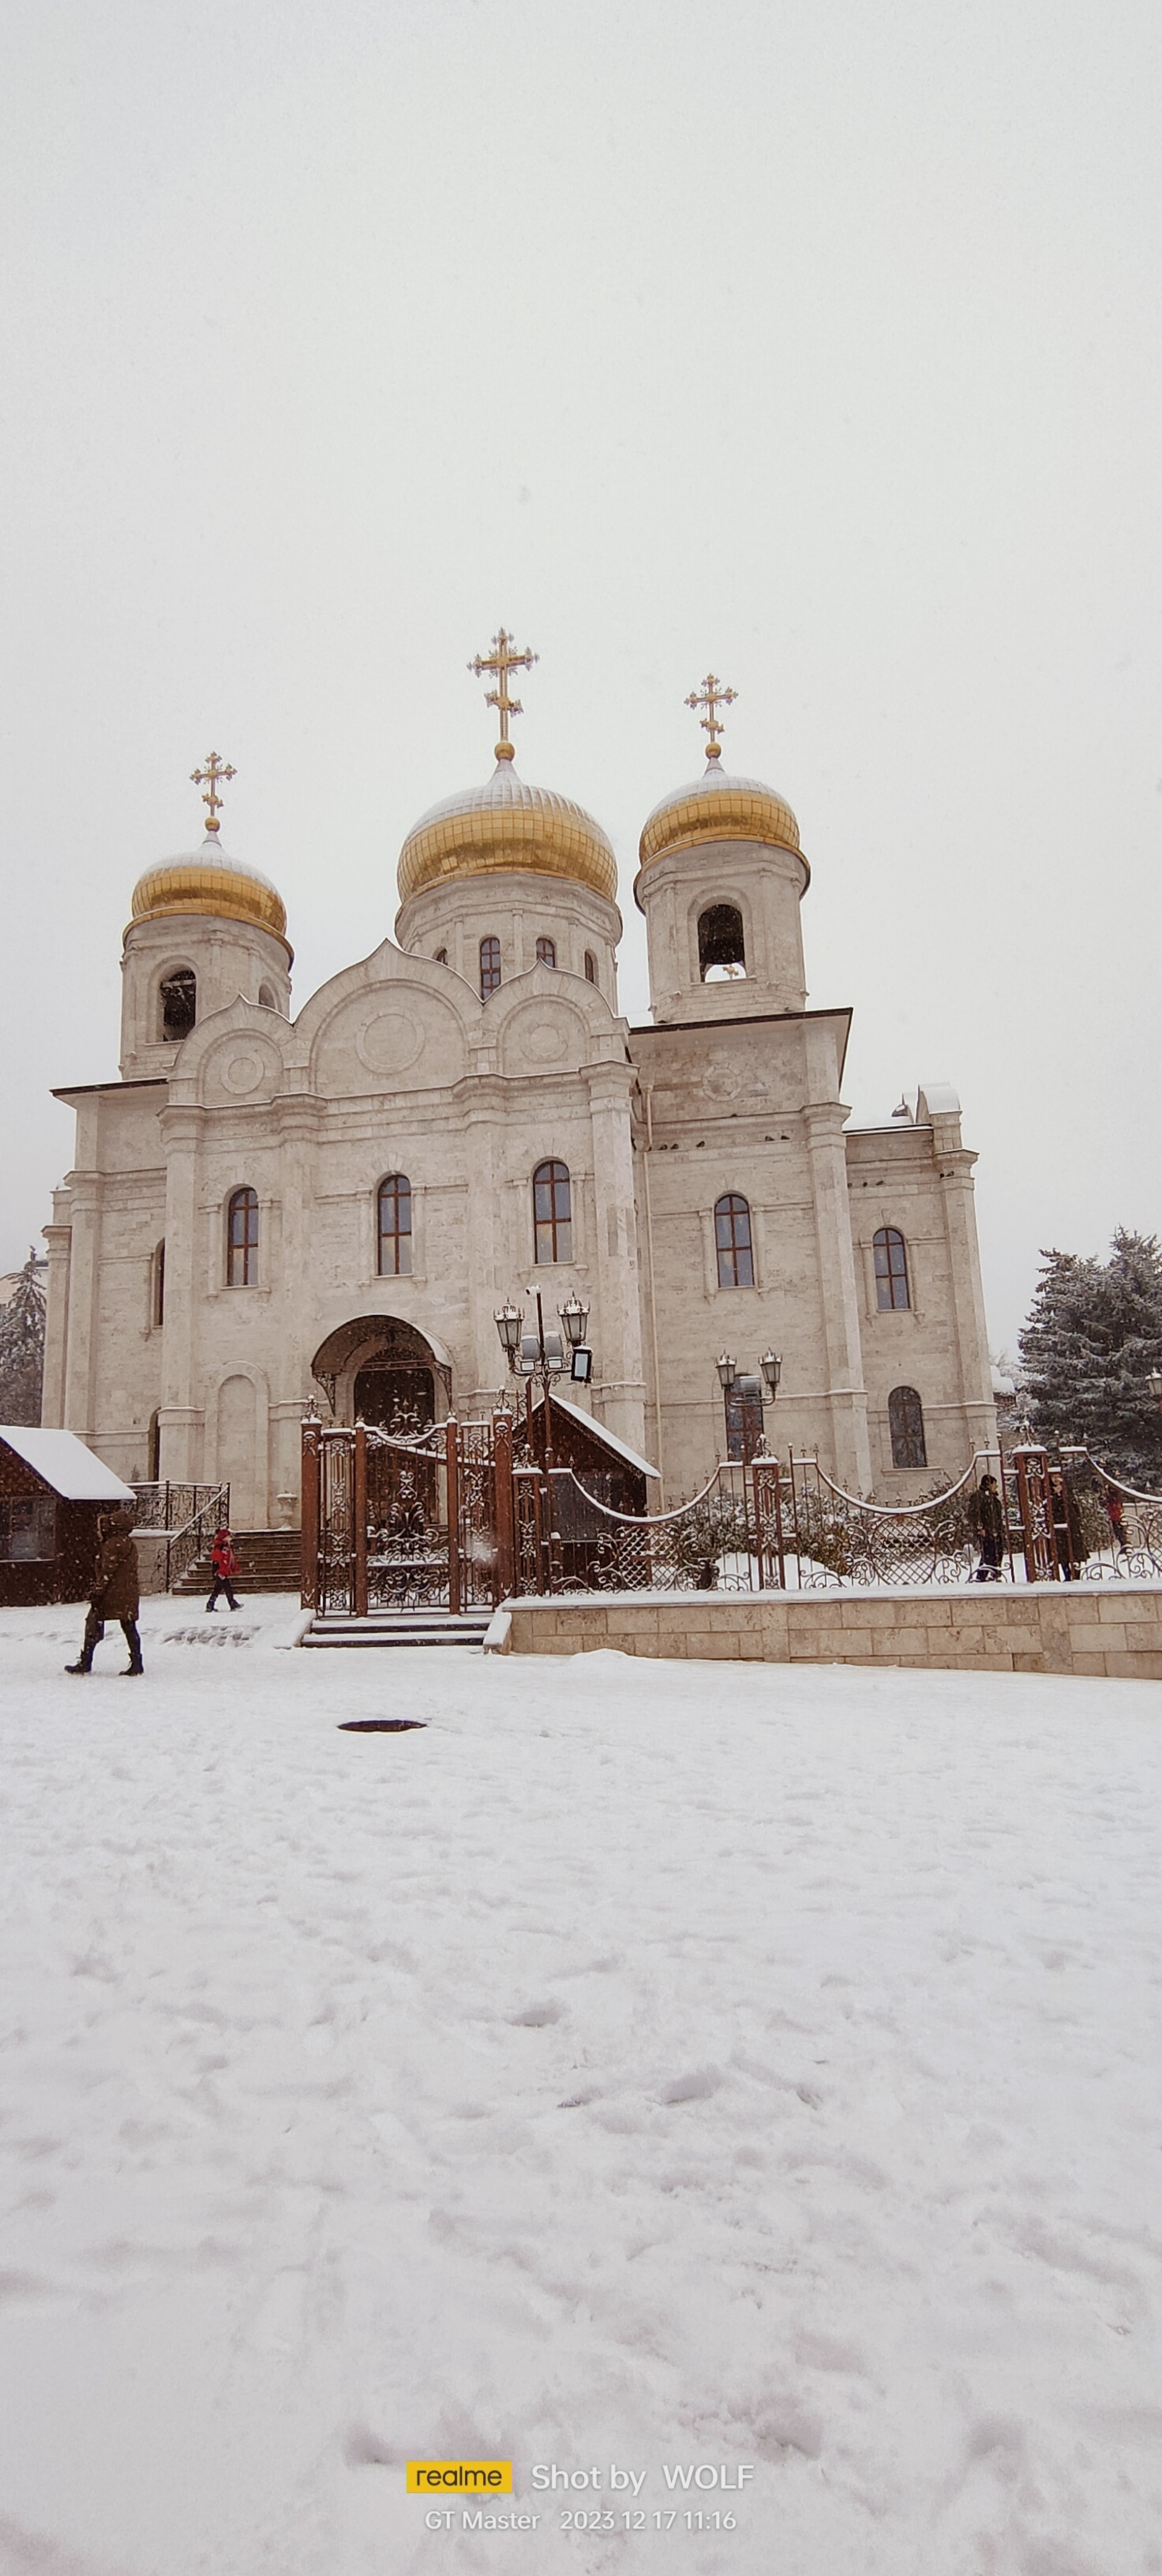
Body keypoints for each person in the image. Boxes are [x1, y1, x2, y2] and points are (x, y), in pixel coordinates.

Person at [66, 1506, 143, 1676]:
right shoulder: (130, 1544)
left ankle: (86, 1661)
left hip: (111, 1594)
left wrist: (98, 1591)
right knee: (129, 1626)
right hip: (128, 1593)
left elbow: (107, 1572)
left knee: (93, 1623)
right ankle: (137, 1662)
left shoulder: (111, 1545)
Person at [1049, 1472, 1086, 1581]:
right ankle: (1067, 1575)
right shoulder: (1050, 1492)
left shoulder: (1067, 1491)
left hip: (1072, 1526)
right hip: (1059, 1526)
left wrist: (1078, 1520)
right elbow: (1051, 1508)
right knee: (1063, 1553)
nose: (1057, 1480)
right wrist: (1057, 1495)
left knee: (1076, 1552)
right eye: (1054, 1477)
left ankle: (1077, 1574)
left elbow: (1074, 1506)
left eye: (1058, 1477)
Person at [971, 1472, 1005, 1581]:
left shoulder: (993, 1498)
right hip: (987, 1531)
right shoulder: (980, 1497)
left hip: (996, 1531)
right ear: (988, 1484)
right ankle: (982, 1576)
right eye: (995, 1484)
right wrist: (980, 1527)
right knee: (988, 1554)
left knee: (997, 1552)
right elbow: (973, 1514)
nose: (996, 1487)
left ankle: (994, 1574)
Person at [205, 1524, 240, 1611]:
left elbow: (230, 1559)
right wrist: (221, 1570)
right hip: (221, 1572)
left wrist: (234, 1567)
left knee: (217, 1589)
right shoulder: (220, 1547)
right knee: (228, 1589)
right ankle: (232, 1604)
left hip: (223, 1571)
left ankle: (211, 1604)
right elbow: (219, 1559)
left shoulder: (226, 1546)